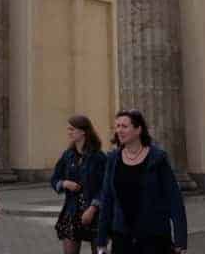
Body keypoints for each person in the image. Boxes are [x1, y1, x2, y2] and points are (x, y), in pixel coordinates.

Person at [94, 109, 187, 254]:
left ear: (138, 129)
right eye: (117, 126)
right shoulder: (113, 159)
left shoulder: (157, 158)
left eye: (124, 126)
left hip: (154, 237)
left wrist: (180, 239)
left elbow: (174, 199)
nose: (119, 130)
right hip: (122, 236)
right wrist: (101, 241)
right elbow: (107, 200)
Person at [52, 114, 106, 254]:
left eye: (72, 129)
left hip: (95, 214)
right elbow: (55, 178)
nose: (69, 132)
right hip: (72, 211)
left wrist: (93, 208)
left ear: (83, 131)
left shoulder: (99, 157)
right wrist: (64, 183)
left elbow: (105, 187)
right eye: (68, 129)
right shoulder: (67, 155)